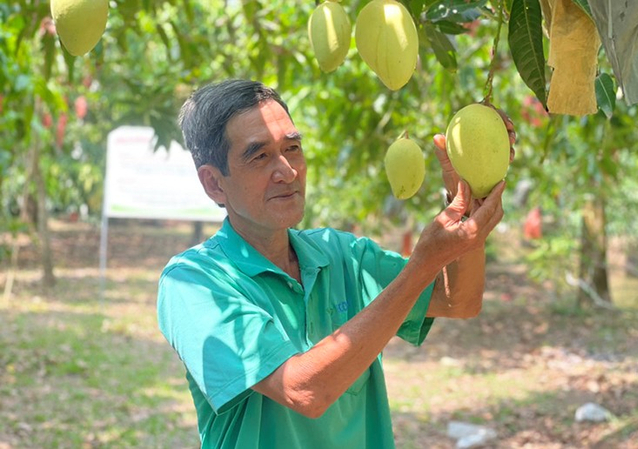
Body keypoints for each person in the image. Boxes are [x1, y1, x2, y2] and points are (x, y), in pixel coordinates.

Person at [157, 79, 516, 448]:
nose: (288, 171)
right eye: (259, 156)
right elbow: (303, 390)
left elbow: (458, 300)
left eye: (292, 148)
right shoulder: (192, 283)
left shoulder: (339, 255)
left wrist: (469, 201)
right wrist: (422, 263)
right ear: (214, 183)